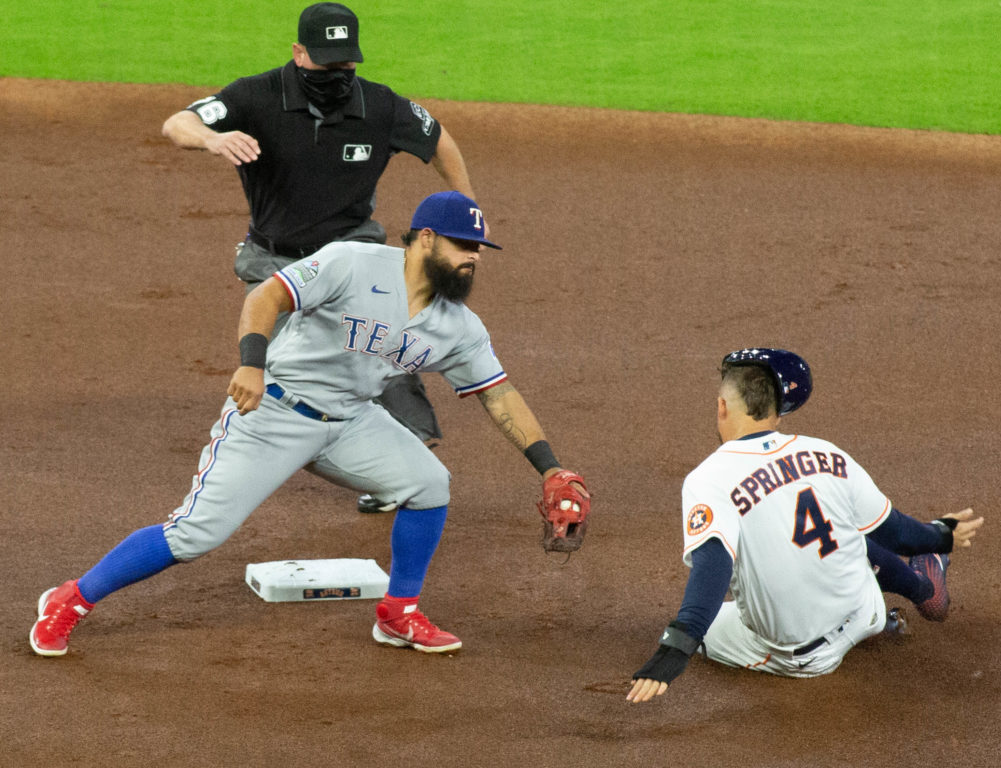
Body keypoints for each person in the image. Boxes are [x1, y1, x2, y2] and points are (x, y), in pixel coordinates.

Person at [29, 191, 589, 658]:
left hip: (352, 420)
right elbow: (267, 294)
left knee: (429, 484)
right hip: (272, 412)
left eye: (479, 249)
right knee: (195, 534)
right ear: (424, 238)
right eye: (464, 245)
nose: (474, 258)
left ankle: (399, 613)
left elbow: (499, 394)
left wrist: (550, 467)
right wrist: (251, 362)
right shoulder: (352, 262)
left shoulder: (458, 325)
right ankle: (71, 598)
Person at [162, 3, 479, 512]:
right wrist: (212, 139)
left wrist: (465, 206)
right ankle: (247, 465)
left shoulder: (380, 106)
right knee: (273, 364)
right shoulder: (255, 95)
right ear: (298, 52)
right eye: (326, 62)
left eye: (345, 63)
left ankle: (407, 452)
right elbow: (178, 123)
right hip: (276, 260)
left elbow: (438, 139)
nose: (337, 72)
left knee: (377, 345)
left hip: (354, 256)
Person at [627, 348, 984, 702]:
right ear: (778, 414)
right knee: (847, 531)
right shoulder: (828, 453)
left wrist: (675, 649)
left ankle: (841, 634)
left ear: (722, 406)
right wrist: (941, 535)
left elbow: (713, 567)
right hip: (865, 611)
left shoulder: (708, 479)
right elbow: (896, 533)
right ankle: (922, 590)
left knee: (707, 627)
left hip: (803, 658)